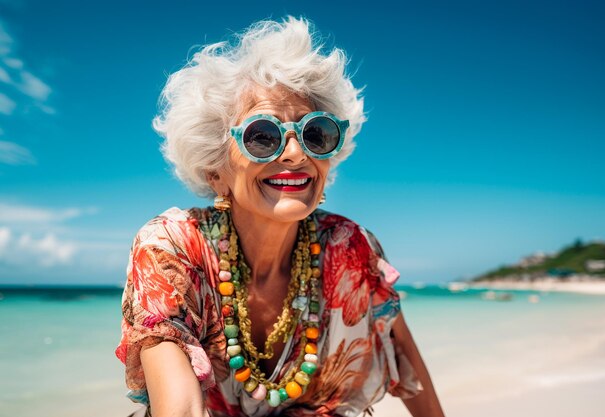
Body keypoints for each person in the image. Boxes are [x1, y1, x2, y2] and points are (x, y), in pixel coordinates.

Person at [116, 16, 444, 417]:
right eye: (263, 136)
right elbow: (179, 407)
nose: (295, 154)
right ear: (215, 170)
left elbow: (404, 355)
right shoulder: (170, 250)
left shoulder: (350, 247)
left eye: (315, 134)